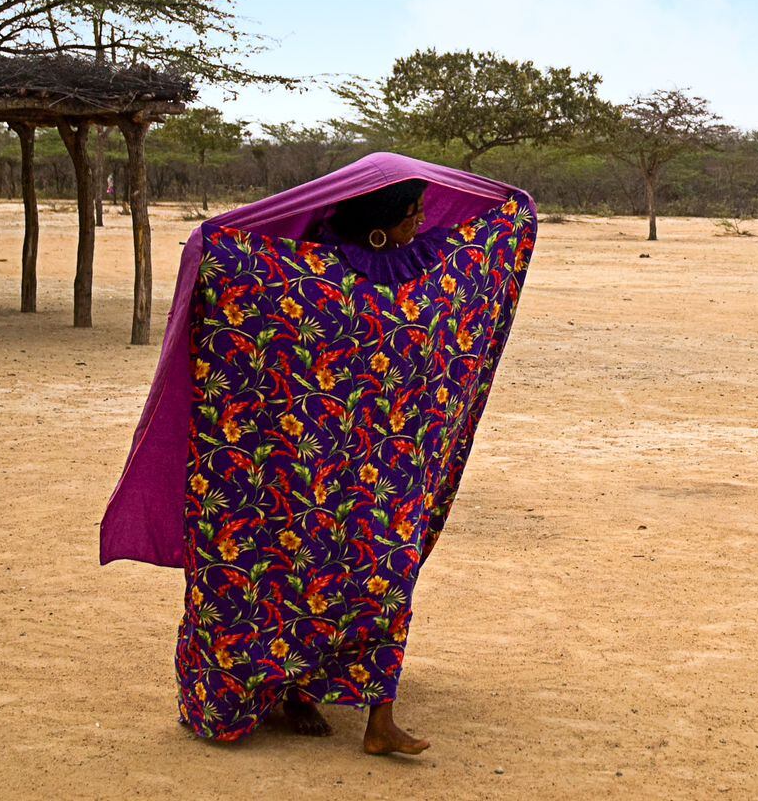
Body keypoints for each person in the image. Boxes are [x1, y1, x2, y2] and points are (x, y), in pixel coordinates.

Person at [100, 153, 537, 752]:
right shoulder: (305, 275)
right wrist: (212, 249)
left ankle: (378, 720)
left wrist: (514, 212)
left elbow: (457, 315)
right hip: (294, 465)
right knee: (280, 573)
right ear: (382, 221)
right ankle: (284, 690)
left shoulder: (428, 272)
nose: (422, 222)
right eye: (413, 213)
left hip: (388, 465)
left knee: (385, 573)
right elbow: (248, 304)